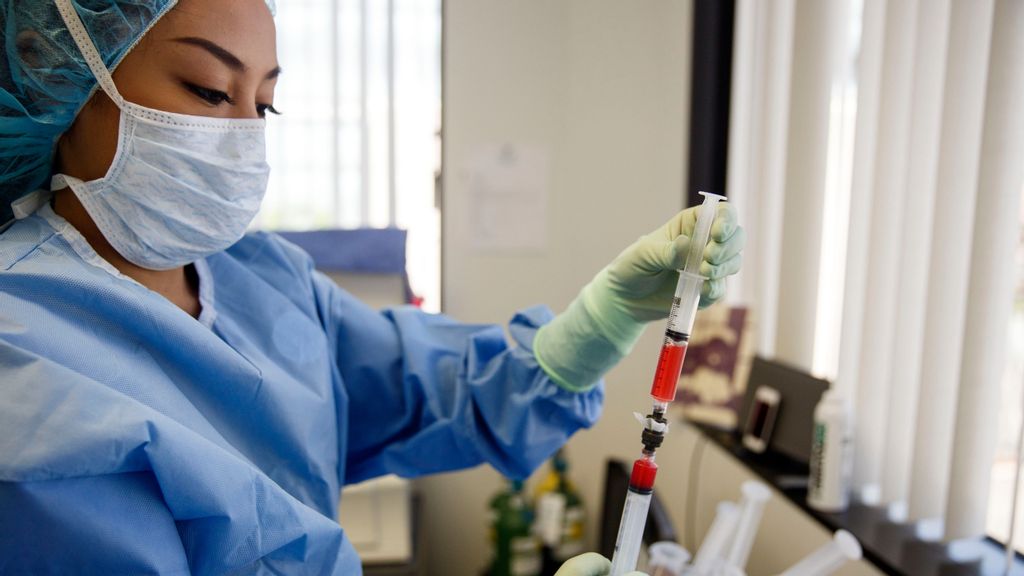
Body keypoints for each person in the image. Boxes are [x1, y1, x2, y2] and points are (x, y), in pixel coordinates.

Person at [0, 0, 745, 574]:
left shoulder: (262, 280)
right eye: (208, 89)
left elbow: (424, 385)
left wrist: (600, 319)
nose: (243, 138)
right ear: (52, 69)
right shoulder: (23, 353)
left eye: (265, 104)